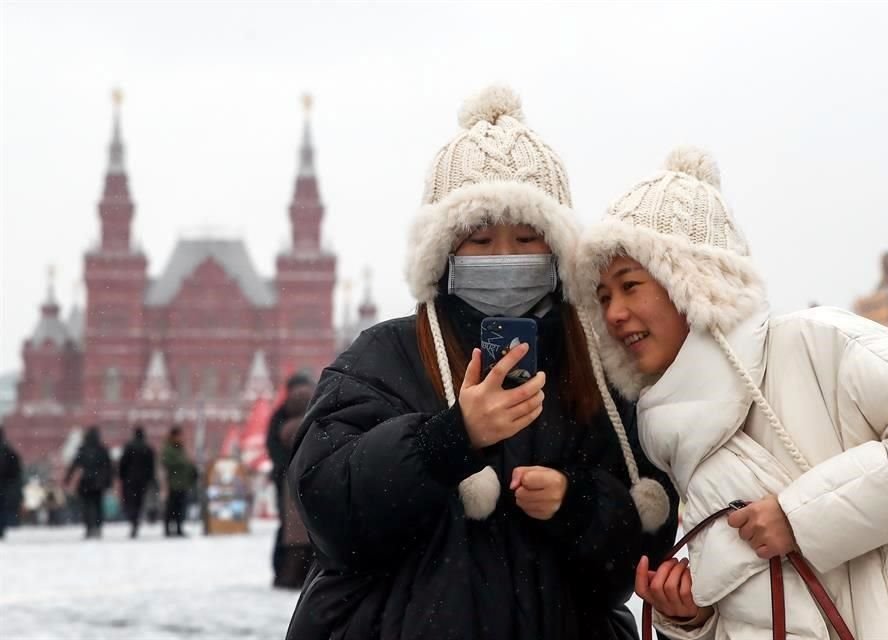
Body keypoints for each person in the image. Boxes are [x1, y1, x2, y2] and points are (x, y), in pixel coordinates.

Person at [284, 86, 678, 640]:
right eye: (479, 239)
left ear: (559, 254)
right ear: (443, 254)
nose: (504, 258)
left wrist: (576, 504)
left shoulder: (596, 374)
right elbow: (327, 513)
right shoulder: (385, 357)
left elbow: (638, 558)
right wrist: (445, 440)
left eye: (526, 238)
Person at [571, 146, 888, 639]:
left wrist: (801, 517)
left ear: (693, 281)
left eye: (629, 285)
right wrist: (691, 617)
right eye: (603, 296)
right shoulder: (668, 430)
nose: (613, 313)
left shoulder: (812, 344)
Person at [267, 372, 314, 585]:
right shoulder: (316, 414)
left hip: (286, 479)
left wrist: (286, 465)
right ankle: (305, 574)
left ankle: (284, 573)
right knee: (310, 528)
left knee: (288, 528)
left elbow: (273, 448)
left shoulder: (280, 418)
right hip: (310, 477)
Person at [65, 426, 113, 539]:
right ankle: (97, 527)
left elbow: (74, 464)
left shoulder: (83, 449)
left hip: (85, 482)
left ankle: (89, 527)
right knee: (98, 506)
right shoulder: (102, 449)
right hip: (98, 483)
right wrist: (108, 481)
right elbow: (108, 467)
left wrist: (67, 478)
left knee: (86, 506)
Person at [117, 425, 156, 538]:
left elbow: (123, 463)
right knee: (139, 502)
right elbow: (151, 466)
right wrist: (151, 479)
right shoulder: (147, 448)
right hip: (142, 481)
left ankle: (133, 520)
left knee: (130, 502)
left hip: (130, 480)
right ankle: (135, 520)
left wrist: (121, 476)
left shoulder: (129, 447)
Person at [162, 426, 195, 537]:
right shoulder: (169, 448)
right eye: (179, 436)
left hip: (183, 483)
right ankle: (168, 529)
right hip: (173, 483)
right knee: (172, 507)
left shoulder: (180, 448)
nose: (181, 438)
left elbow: (186, 463)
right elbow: (167, 462)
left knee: (181, 507)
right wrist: (182, 463)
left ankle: (179, 528)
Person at [0, 425, 23, 539]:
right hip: (5, 486)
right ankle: (1, 529)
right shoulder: (9, 451)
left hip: (5, 485)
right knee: (2, 508)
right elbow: (16, 471)